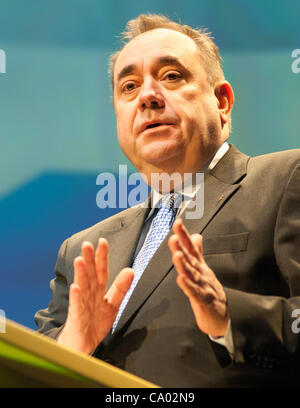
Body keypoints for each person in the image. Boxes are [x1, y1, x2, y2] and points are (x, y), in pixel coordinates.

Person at [35, 14, 300, 387]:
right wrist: (74, 344)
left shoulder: (287, 178)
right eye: (128, 86)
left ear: (222, 102)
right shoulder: (84, 250)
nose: (147, 97)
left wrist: (228, 314)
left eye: (172, 77)